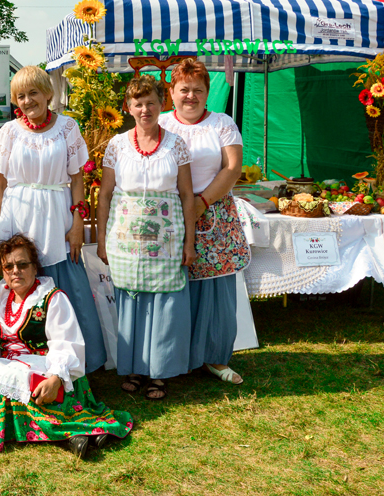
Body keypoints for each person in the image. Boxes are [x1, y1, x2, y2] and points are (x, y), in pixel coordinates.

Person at [0, 234, 133, 457]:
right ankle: (75, 435)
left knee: (17, 398)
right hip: (11, 370)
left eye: (22, 265)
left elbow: (66, 344)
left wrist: (55, 378)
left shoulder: (52, 298)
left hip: (50, 371)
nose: (15, 271)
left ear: (35, 268)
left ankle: (71, 435)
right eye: (9, 266)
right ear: (2, 271)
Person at [0, 65, 107, 373]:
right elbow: (0, 184)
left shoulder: (67, 128)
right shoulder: (9, 131)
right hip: (18, 212)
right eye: (21, 96)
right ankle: (24, 354)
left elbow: (78, 180)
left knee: (68, 285)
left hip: (56, 212)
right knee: (19, 278)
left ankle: (79, 362)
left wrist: (78, 224)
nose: (28, 101)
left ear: (49, 94)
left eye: (33, 93)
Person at [96, 75, 196, 400]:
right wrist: (101, 238)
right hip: (125, 239)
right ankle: (135, 369)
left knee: (164, 303)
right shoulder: (116, 145)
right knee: (131, 303)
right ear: (128, 107)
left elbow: (186, 194)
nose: (145, 109)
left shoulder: (176, 145)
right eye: (137, 103)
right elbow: (106, 195)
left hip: (167, 236)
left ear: (161, 104)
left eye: (151, 102)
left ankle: (160, 372)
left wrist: (190, 242)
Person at [159, 59, 250, 385]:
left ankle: (214, 358)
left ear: (208, 93)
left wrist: (201, 203)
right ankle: (172, 358)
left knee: (213, 291)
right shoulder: (159, 123)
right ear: (172, 92)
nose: (191, 96)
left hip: (212, 214)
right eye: (184, 89)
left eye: (198, 90)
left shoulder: (222, 124)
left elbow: (232, 168)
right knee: (170, 286)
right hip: (168, 214)